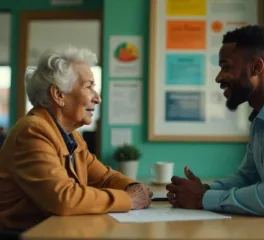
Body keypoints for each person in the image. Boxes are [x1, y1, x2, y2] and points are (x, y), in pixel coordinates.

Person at [166, 25, 264, 230]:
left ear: (257, 67)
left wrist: (202, 198)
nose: (218, 77)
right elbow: (247, 176)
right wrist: (203, 189)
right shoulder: (262, 114)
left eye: (226, 67)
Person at [0, 46, 152, 231]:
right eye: (89, 87)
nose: (97, 98)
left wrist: (135, 187)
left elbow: (104, 177)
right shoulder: (33, 131)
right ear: (58, 95)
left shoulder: (72, 137)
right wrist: (128, 199)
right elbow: (63, 199)